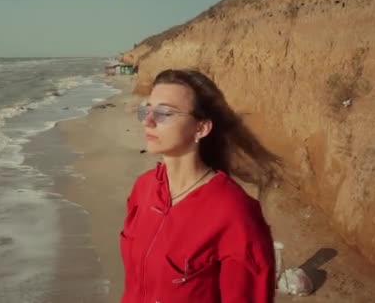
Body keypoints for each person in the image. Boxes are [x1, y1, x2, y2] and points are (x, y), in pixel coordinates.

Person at [120, 69, 280, 302]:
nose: (148, 120)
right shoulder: (143, 189)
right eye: (147, 109)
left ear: (201, 128)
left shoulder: (234, 213)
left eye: (164, 113)